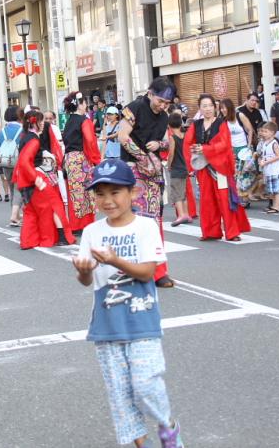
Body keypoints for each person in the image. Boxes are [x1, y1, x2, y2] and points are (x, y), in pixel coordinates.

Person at [71, 159, 183, 448]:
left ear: (133, 193)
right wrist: (84, 270)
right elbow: (86, 280)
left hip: (142, 320)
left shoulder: (145, 227)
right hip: (106, 325)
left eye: (115, 192)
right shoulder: (92, 232)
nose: (107, 201)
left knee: (146, 385)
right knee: (120, 396)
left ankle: (168, 425)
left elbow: (148, 272)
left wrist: (115, 260)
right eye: (100, 194)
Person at [118, 78, 175, 288]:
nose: (163, 106)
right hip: (134, 169)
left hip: (153, 171)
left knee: (154, 221)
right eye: (161, 100)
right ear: (150, 93)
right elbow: (123, 137)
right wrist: (143, 159)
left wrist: (158, 144)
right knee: (134, 219)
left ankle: (159, 270)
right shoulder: (134, 108)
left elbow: (168, 142)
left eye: (167, 103)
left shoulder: (164, 117)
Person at [183, 94, 251, 241]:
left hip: (220, 167)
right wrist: (194, 151)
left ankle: (232, 233)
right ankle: (210, 232)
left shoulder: (221, 123)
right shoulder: (196, 124)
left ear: (215, 107)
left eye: (210, 105)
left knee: (224, 200)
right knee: (207, 200)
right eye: (204, 106)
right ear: (200, 108)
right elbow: (187, 143)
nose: (207, 109)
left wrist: (205, 149)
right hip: (203, 167)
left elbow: (225, 144)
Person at [14, 111, 74, 249]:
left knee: (30, 211)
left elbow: (22, 162)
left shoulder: (24, 137)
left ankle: (28, 241)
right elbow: (24, 161)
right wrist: (36, 179)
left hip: (26, 179)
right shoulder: (34, 140)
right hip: (36, 176)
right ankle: (60, 237)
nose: (43, 124)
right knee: (53, 206)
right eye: (40, 121)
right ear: (33, 122)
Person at [63, 93, 102, 233]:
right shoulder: (84, 121)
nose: (86, 106)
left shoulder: (69, 121)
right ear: (80, 104)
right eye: (84, 103)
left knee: (73, 193)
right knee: (85, 193)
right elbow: (90, 142)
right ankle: (84, 224)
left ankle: (75, 224)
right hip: (81, 159)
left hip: (68, 159)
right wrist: (97, 160)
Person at [0, 106, 24, 223]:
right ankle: (14, 215)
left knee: (11, 188)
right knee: (19, 188)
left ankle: (16, 213)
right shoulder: (22, 130)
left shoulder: (2, 132)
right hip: (18, 163)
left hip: (5, 164)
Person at [166, 112, 192, 227]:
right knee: (183, 193)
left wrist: (168, 164)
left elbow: (171, 153)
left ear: (169, 125)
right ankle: (187, 214)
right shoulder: (185, 135)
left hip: (176, 167)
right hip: (185, 167)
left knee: (176, 193)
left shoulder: (173, 137)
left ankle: (181, 215)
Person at [256, 122, 279, 213]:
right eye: (263, 131)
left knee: (276, 190)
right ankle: (273, 205)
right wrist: (261, 160)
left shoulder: (274, 143)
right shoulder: (265, 143)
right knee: (271, 189)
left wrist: (266, 162)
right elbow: (264, 154)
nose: (263, 133)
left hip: (274, 170)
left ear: (272, 133)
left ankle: (277, 207)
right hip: (268, 170)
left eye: (265, 131)